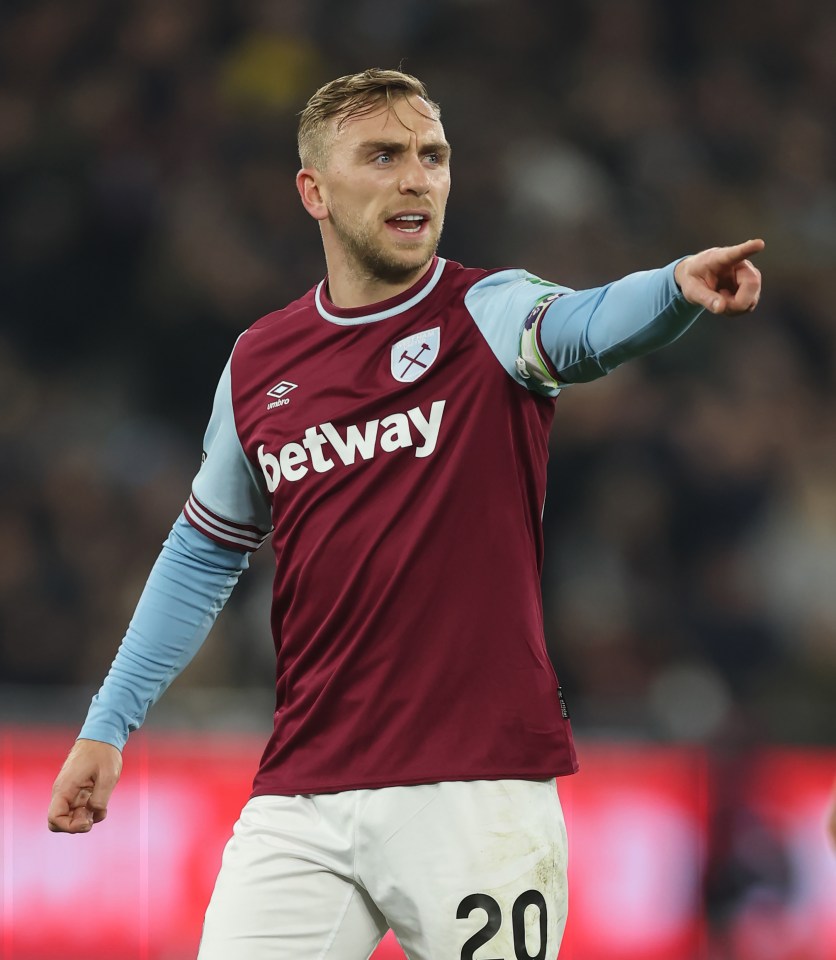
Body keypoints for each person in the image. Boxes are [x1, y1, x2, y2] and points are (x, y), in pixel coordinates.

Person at [47, 68, 764, 959]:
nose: (415, 178)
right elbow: (201, 556)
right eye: (382, 155)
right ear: (314, 189)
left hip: (476, 793)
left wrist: (670, 289)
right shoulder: (259, 362)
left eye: (432, 156)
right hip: (304, 793)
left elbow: (582, 329)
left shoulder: (486, 312)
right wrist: (107, 724)